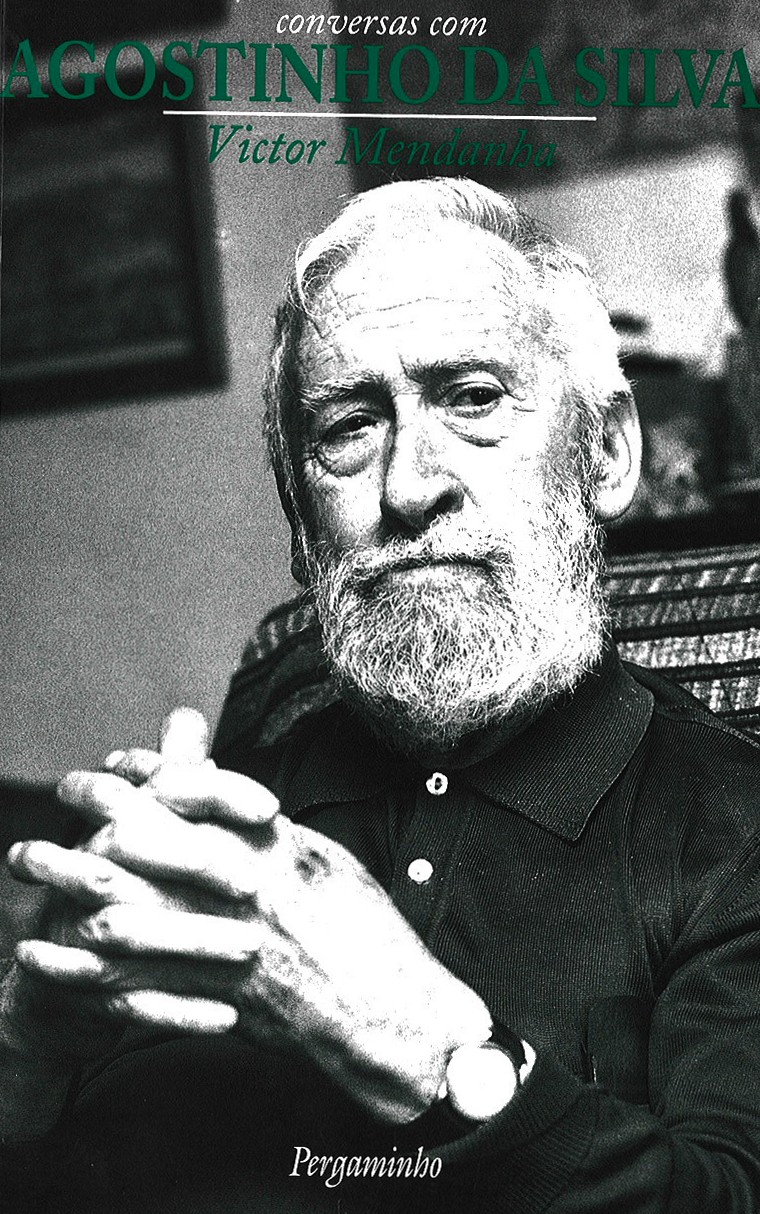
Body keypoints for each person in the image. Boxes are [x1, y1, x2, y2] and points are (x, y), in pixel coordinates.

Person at [2, 178, 759, 1213]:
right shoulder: (223, 821)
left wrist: (435, 1053)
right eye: (350, 426)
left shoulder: (733, 831)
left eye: (473, 398)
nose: (408, 486)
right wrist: (27, 1052)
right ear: (301, 519)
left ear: (607, 453)